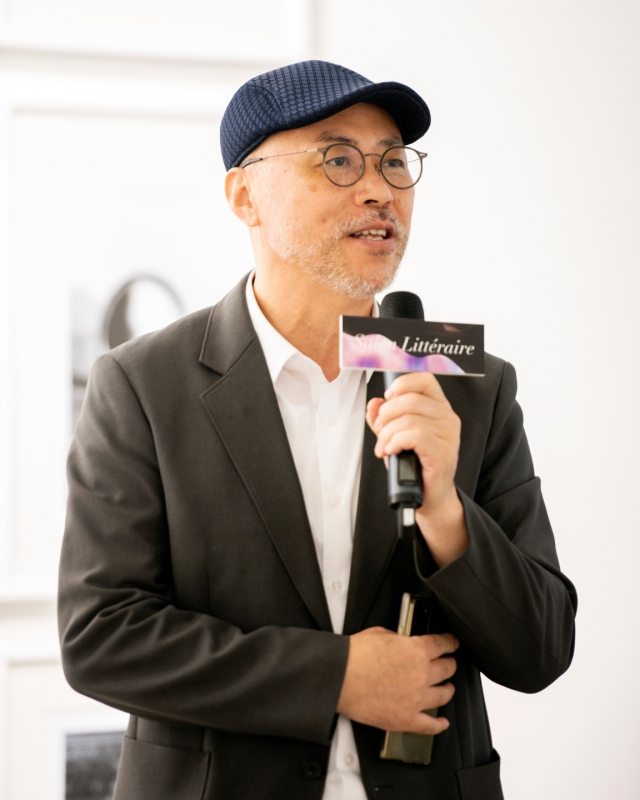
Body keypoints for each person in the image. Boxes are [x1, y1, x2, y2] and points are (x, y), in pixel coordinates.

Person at [58, 60, 577, 800]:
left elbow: (542, 649)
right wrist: (338, 678)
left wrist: (446, 513)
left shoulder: (469, 381)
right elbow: (102, 636)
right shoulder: (141, 383)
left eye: (393, 162)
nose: (379, 190)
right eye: (338, 160)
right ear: (245, 196)